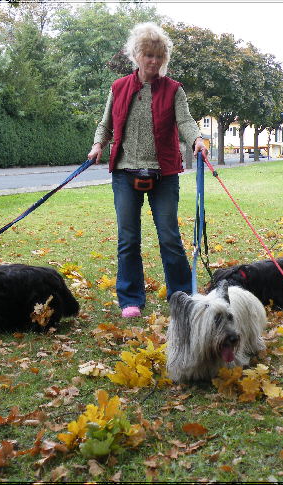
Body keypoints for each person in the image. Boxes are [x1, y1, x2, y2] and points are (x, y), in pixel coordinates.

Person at [87, 22, 207, 318]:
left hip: (163, 173)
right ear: (136, 55)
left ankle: (181, 297)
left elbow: (187, 121)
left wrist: (198, 140)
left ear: (163, 58)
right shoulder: (119, 87)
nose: (153, 61)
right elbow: (106, 124)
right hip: (125, 174)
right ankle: (130, 299)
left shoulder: (173, 90)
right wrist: (97, 145)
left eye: (158, 56)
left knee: (169, 236)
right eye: (147, 55)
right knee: (128, 238)